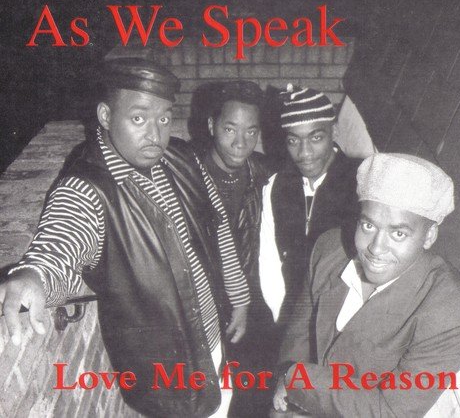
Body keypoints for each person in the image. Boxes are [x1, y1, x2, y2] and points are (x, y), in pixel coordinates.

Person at [0, 57, 250, 418]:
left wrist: (238, 297)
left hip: (214, 343)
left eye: (163, 119)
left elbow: (218, 225)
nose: (155, 136)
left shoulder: (183, 157)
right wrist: (33, 276)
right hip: (169, 376)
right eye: (138, 119)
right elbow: (60, 244)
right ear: (105, 116)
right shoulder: (87, 188)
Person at [273, 153, 460, 417]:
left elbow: (389, 412)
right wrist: (285, 403)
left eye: (398, 233)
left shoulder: (455, 314)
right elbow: (298, 335)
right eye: (368, 225)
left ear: (429, 236)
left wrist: (294, 382)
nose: (376, 248)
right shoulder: (330, 249)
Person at [198, 80, 275, 417]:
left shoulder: (265, 173)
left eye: (251, 131)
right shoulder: (188, 174)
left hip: (253, 296)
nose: (240, 142)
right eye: (230, 129)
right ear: (211, 125)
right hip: (204, 296)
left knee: (254, 389)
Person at [259, 84, 360, 324]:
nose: (304, 153)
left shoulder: (360, 182)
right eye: (293, 140)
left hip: (346, 318)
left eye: (315, 138)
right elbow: (269, 260)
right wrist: (283, 318)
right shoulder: (276, 185)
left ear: (334, 132)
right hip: (291, 316)